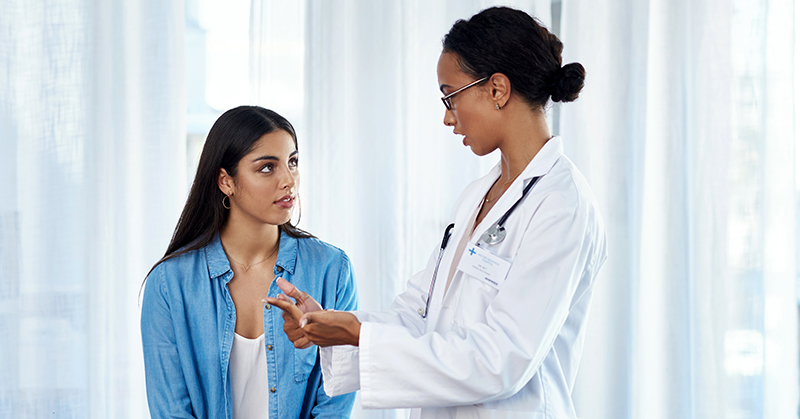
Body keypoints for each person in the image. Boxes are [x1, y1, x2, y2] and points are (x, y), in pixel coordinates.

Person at [267, 6, 607, 419]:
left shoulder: (562, 204)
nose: (448, 117)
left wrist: (360, 334)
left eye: (451, 96)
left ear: (497, 89)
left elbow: (502, 359)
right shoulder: (478, 195)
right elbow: (420, 313)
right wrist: (338, 328)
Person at [140, 106, 358, 419]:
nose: (288, 181)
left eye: (292, 162)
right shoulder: (169, 284)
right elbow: (170, 409)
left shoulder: (331, 269)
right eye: (267, 168)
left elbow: (335, 402)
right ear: (225, 181)